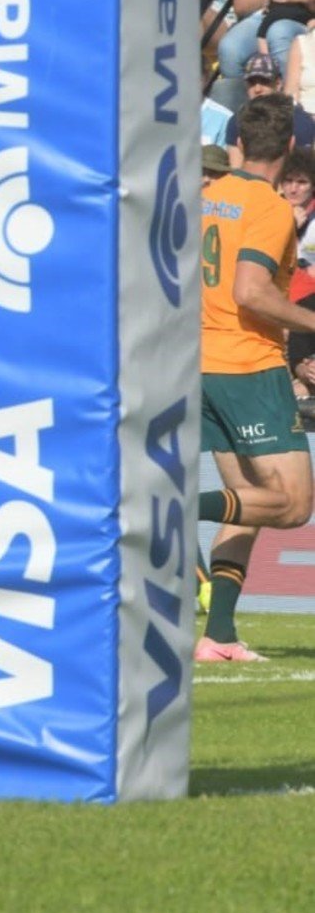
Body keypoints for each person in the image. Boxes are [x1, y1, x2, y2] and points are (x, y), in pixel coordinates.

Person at [195, 93, 315, 660]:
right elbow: (251, 292)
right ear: (289, 149)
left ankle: (217, 635)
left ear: (238, 142)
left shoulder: (206, 197)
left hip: (199, 362)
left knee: (248, 502)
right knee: (292, 505)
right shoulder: (268, 209)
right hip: (247, 364)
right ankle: (164, 509)